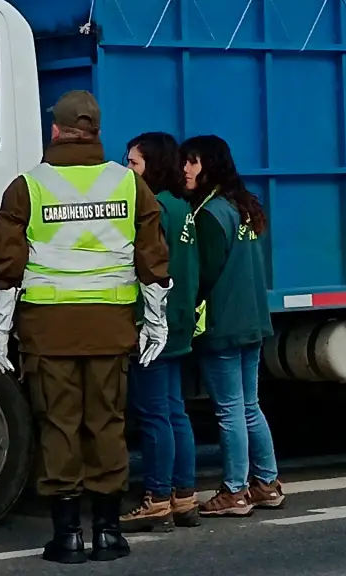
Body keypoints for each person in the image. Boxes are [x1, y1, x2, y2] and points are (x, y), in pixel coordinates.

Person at [0, 90, 171, 564]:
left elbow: (6, 264)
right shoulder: (128, 184)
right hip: (110, 327)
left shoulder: (28, 186)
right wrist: (156, 321)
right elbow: (152, 258)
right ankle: (108, 533)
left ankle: (67, 537)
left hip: (49, 330)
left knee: (59, 424)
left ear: (56, 130)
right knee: (107, 423)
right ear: (96, 132)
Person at [181, 134, 284, 517]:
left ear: (209, 165)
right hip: (252, 319)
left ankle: (234, 490)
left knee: (228, 411)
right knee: (249, 406)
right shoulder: (242, 207)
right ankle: (267, 484)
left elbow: (203, 274)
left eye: (192, 162)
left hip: (221, 323)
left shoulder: (209, 213)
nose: (184, 169)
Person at [118, 132, 201, 533]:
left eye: (133, 163)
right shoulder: (182, 206)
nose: (127, 170)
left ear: (152, 165)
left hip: (154, 321)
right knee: (174, 410)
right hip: (180, 318)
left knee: (154, 415)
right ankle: (184, 496)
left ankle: (156, 497)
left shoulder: (153, 208)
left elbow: (146, 268)